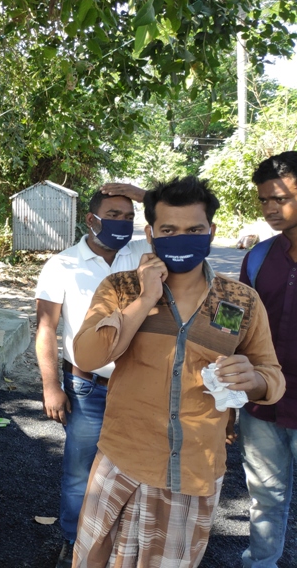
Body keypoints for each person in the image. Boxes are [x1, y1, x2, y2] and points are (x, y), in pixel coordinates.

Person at [72, 176, 285, 567]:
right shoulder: (120, 288)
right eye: (169, 230)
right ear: (151, 234)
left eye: (194, 229)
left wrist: (252, 380)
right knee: (94, 560)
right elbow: (86, 356)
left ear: (211, 232)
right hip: (123, 459)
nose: (181, 238)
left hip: (193, 472)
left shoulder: (240, 301)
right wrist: (145, 298)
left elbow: (271, 375)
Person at [34, 184, 148, 567]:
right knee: (80, 474)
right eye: (114, 215)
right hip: (87, 388)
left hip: (139, 387)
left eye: (130, 217)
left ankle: (120, 544)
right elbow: (46, 328)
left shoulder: (142, 256)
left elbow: (178, 221)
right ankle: (74, 539)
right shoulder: (62, 265)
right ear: (91, 219)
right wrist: (51, 386)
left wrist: (141, 193)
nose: (123, 224)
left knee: (136, 469)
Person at [238, 151, 297, 567]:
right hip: (263, 402)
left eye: (281, 198)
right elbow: (233, 327)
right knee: (264, 495)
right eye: (264, 200)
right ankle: (260, 563)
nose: (270, 209)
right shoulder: (258, 258)